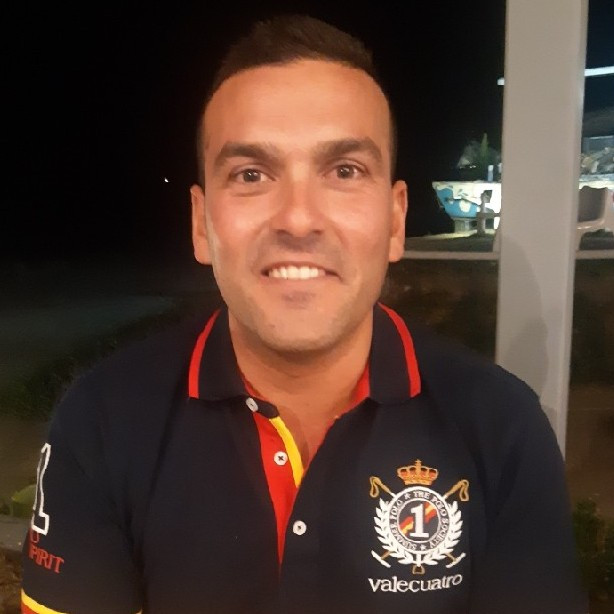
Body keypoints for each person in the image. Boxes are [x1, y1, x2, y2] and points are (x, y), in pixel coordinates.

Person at [21, 14, 586, 614]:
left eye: (344, 171)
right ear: (201, 224)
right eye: (251, 174)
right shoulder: (102, 421)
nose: (297, 218)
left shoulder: (502, 428)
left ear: (395, 220)